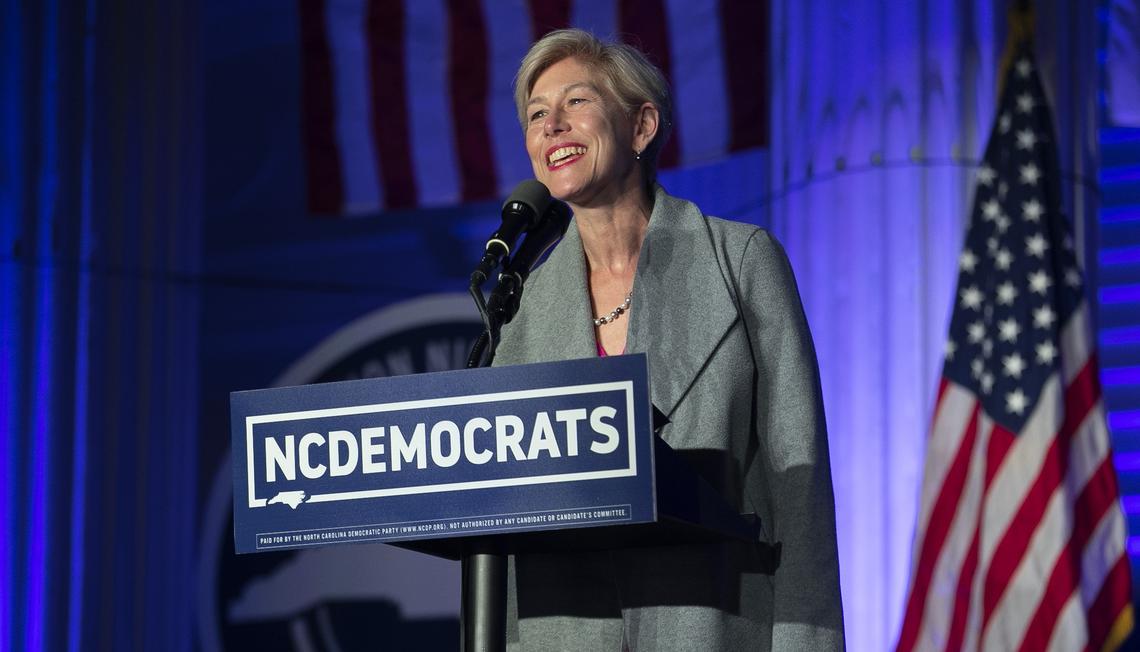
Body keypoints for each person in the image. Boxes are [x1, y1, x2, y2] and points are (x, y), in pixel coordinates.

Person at [494, 28, 844, 651]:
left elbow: (800, 487)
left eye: (576, 102)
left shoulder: (742, 264)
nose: (552, 126)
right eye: (536, 114)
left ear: (641, 125)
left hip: (713, 623)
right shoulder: (520, 313)